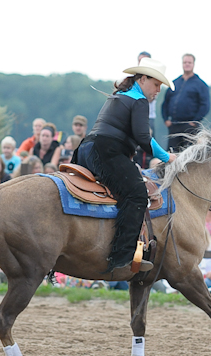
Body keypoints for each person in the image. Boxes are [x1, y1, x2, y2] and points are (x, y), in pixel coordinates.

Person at [72, 57, 176, 273]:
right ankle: (122, 259)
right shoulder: (139, 101)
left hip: (85, 151)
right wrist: (167, 157)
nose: (158, 90)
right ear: (144, 79)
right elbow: (143, 138)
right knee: (137, 194)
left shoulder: (120, 95)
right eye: (156, 84)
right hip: (107, 153)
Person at [161, 53, 210, 151]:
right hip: (174, 125)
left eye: (189, 62)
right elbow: (165, 102)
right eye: (185, 62)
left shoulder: (200, 85)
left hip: (190, 127)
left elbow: (205, 105)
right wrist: (166, 119)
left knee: (189, 154)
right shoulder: (174, 83)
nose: (187, 64)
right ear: (182, 64)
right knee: (172, 154)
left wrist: (195, 121)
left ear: (193, 64)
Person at [137, 51, 156, 134]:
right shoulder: (131, 78)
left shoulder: (155, 78)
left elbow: (151, 98)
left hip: (148, 116)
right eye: (140, 61)